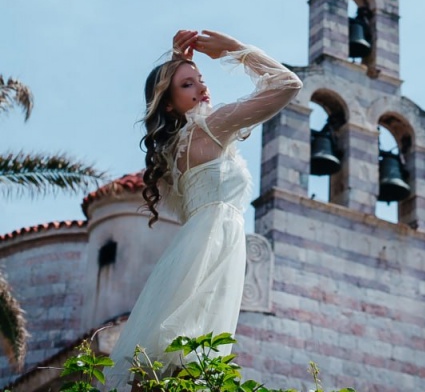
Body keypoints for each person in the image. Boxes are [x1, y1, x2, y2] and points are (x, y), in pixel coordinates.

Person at [108, 29, 303, 387]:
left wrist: (177, 66)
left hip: (194, 250)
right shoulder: (210, 128)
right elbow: (289, 85)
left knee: (163, 365)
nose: (201, 87)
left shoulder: (174, 152)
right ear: (169, 103)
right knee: (188, 360)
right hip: (214, 249)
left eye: (201, 80)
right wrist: (234, 49)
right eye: (187, 85)